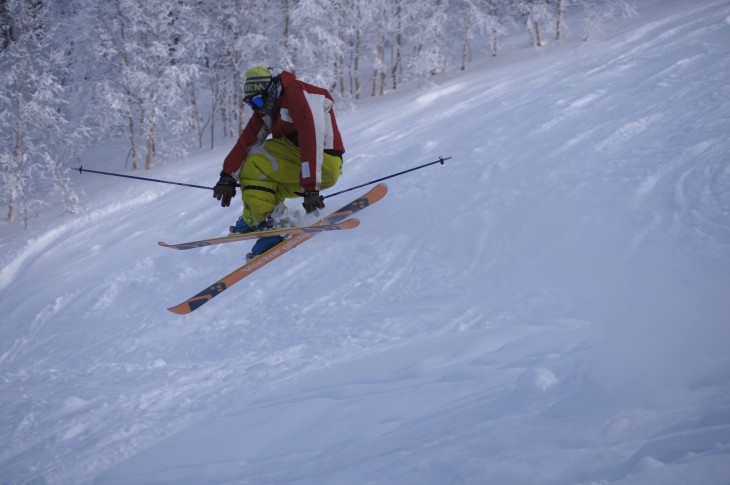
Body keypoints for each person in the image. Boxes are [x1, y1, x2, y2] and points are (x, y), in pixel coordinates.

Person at [213, 66, 345, 259]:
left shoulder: (298, 95)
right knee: (263, 176)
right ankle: (271, 221)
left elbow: (312, 139)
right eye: (251, 104)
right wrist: (227, 176)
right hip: (302, 165)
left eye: (258, 100)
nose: (257, 107)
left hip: (324, 162)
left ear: (271, 89)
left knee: (257, 160)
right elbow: (247, 140)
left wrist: (311, 187)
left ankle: (265, 222)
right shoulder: (268, 108)